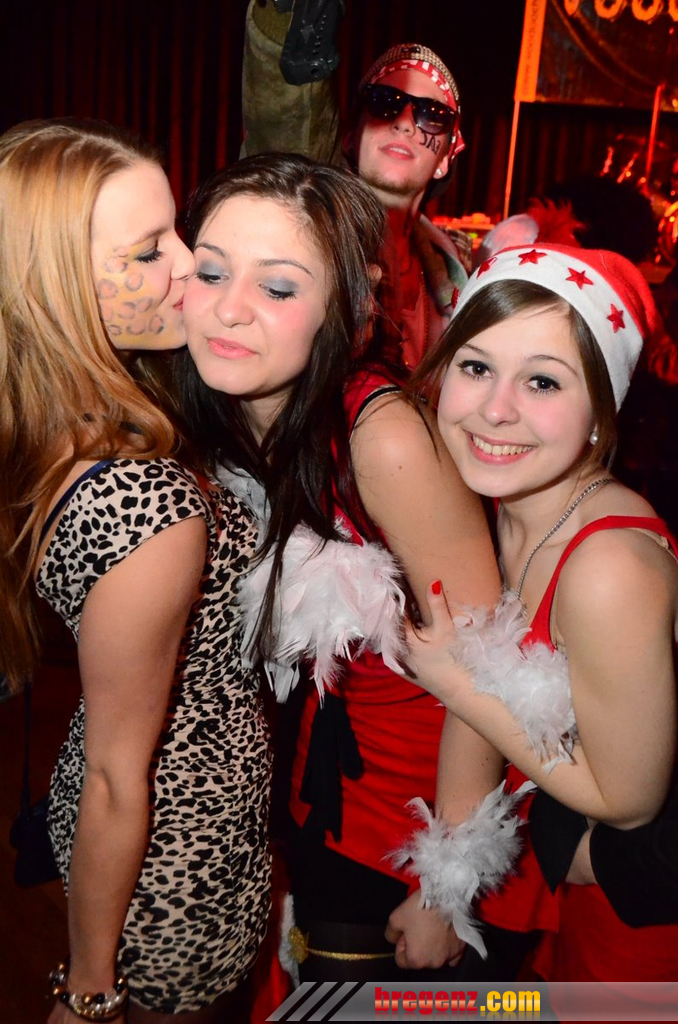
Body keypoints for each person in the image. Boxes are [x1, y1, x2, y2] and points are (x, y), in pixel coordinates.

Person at [173, 152, 508, 981]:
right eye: (210, 272)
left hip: (410, 812)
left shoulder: (381, 436)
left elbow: (489, 657)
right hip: (313, 782)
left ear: (350, 307)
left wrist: (446, 887)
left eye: (278, 287)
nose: (230, 308)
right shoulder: (225, 411)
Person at [0, 119, 271, 1022]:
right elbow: (120, 779)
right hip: (169, 862)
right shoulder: (149, 503)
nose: (189, 263)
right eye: (150, 251)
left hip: (148, 814)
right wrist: (88, 989)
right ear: (57, 288)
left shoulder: (67, 416)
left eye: (177, 233)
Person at [403, 243, 678, 981]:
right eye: (475, 367)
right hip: (577, 909)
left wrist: (459, 684)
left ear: (600, 414)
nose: (496, 409)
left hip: (643, 947)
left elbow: (627, 800)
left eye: (543, 381)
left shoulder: (608, 569)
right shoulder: (512, 507)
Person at [242, 0, 468, 373]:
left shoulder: (458, 276)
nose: (405, 123)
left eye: (432, 114)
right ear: (350, 136)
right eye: (384, 102)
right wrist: (283, 30)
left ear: (446, 157)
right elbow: (286, 124)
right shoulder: (317, 225)